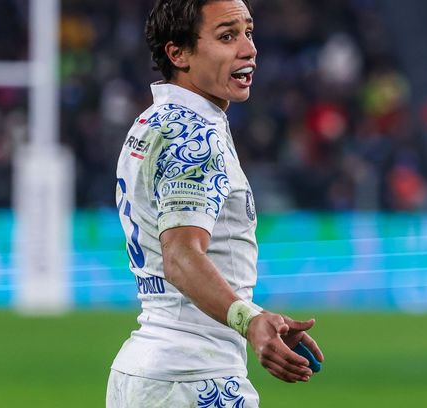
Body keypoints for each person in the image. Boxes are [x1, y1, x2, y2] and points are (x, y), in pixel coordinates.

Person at [106, 1, 324, 406]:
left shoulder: (153, 121)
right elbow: (180, 255)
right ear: (179, 54)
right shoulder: (194, 136)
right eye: (227, 36)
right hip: (194, 377)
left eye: (248, 32)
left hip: (150, 370)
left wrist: (257, 316)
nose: (249, 49)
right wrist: (250, 321)